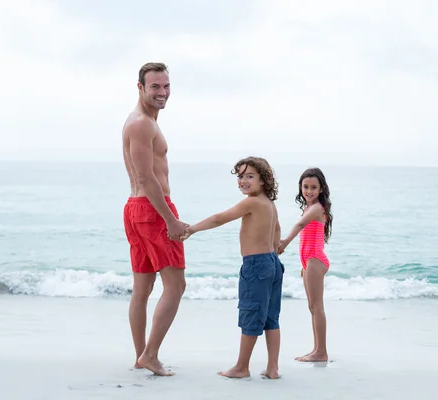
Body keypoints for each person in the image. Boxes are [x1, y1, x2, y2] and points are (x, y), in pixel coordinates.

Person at [180, 156, 284, 379]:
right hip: (272, 263)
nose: (243, 181)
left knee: (251, 313)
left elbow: (220, 218)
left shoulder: (251, 202)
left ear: (263, 180)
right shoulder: (269, 203)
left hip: (256, 265)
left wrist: (193, 229)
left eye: (250, 176)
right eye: (240, 176)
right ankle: (272, 368)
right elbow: (277, 229)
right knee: (270, 317)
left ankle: (241, 367)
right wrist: (274, 249)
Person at [121, 62, 189, 376]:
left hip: (137, 210)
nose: (162, 93)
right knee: (175, 286)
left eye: (166, 86)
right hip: (152, 210)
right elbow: (148, 179)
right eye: (155, 87)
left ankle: (142, 356)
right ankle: (150, 355)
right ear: (140, 87)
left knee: (143, 287)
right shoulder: (141, 124)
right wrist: (171, 220)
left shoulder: (145, 122)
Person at [278, 167, 333, 362]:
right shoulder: (308, 208)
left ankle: (321, 352)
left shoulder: (317, 208)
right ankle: (317, 349)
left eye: (313, 187)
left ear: (321, 189)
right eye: (305, 187)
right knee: (312, 307)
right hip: (309, 262)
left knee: (317, 307)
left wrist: (284, 242)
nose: (308, 191)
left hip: (315, 260)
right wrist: (304, 265)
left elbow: (300, 225)